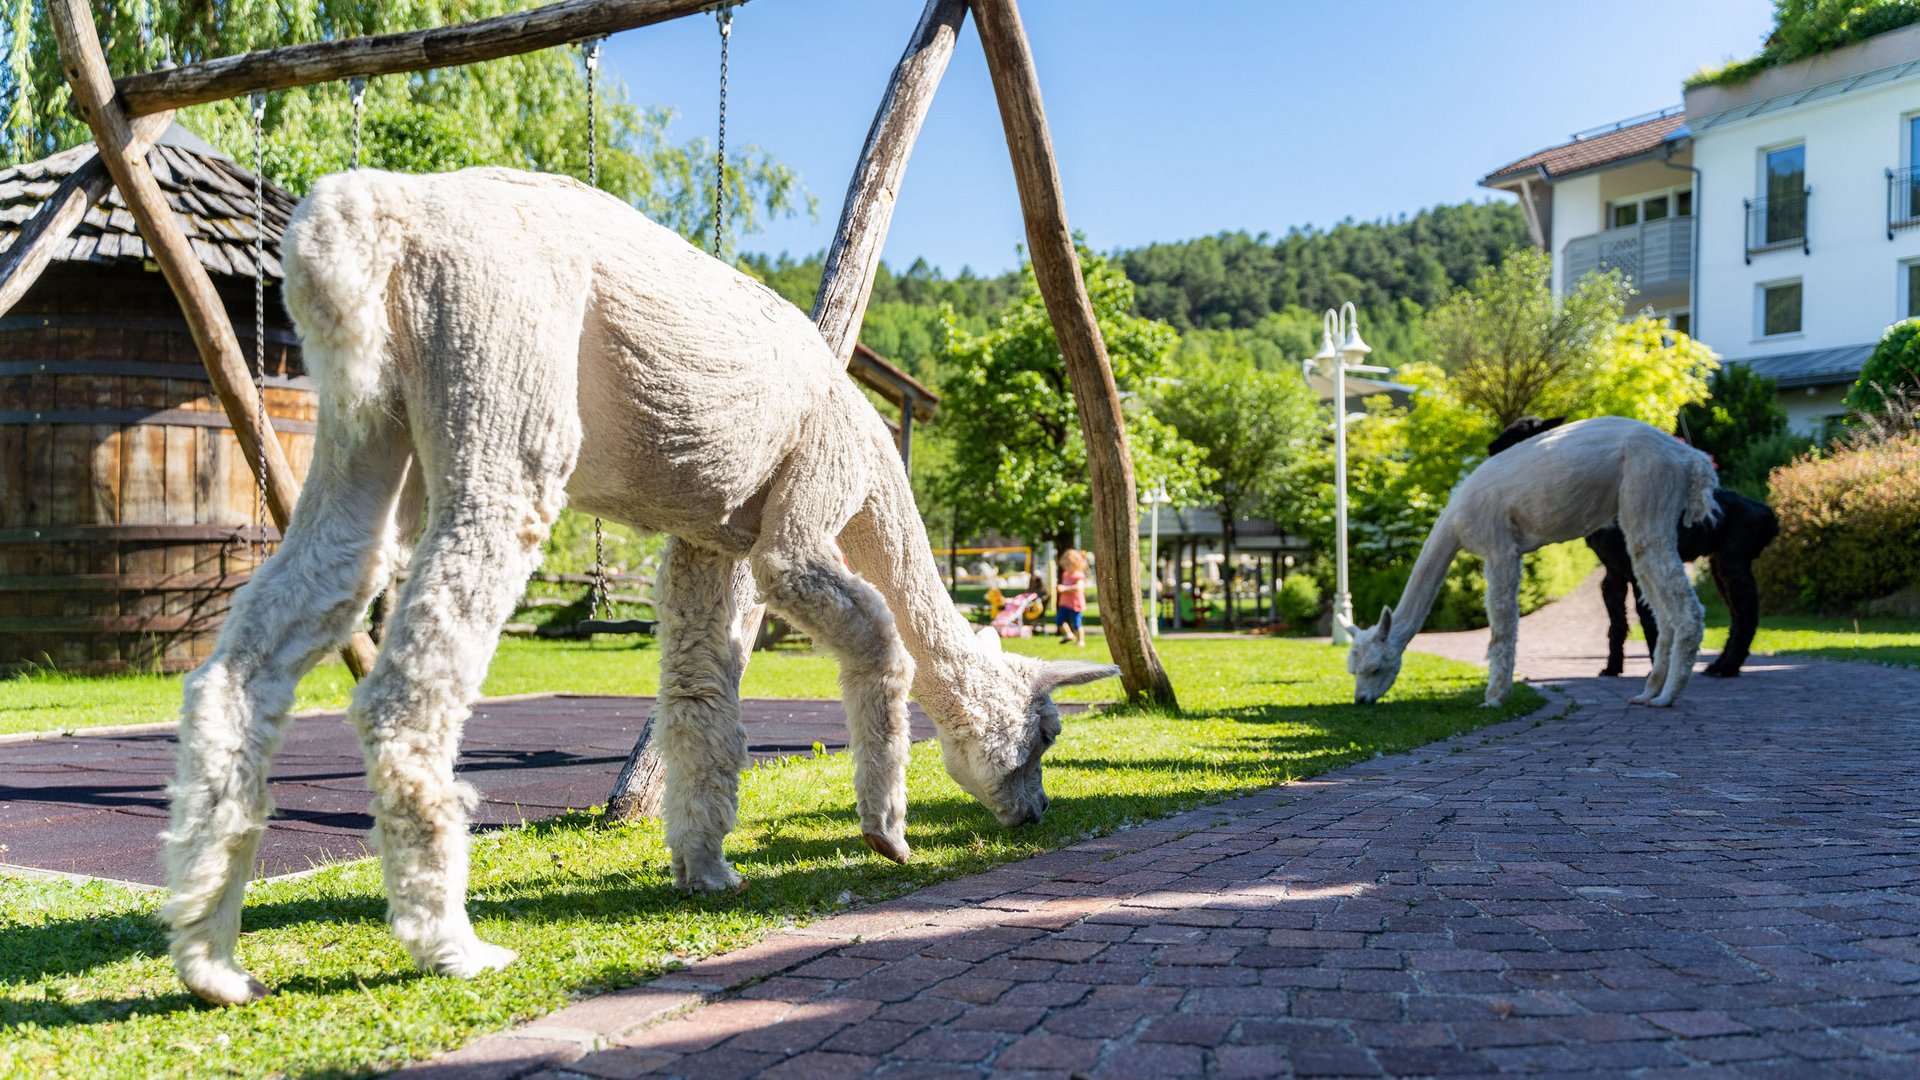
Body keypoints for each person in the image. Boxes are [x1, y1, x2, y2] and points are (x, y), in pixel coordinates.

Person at [1055, 548, 1089, 646]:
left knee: (1076, 623)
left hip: (1075, 603)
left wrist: (1064, 588)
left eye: (1068, 565)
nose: (1066, 567)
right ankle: (1069, 634)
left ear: (1076, 564)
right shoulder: (1065, 574)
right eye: (1065, 565)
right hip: (1064, 603)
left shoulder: (1079, 575)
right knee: (1059, 620)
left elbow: (1078, 588)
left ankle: (1081, 640)